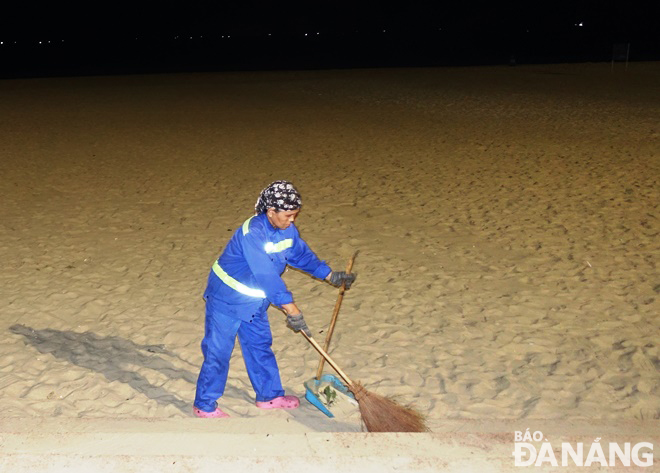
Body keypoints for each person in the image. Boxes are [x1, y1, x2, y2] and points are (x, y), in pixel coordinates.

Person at [193, 180, 356, 418]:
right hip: (226, 300)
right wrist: (291, 309)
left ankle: (269, 396)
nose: (292, 221)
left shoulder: (287, 230)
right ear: (271, 212)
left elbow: (300, 255)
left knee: (260, 346)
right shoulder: (252, 233)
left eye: (295, 215)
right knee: (218, 353)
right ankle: (204, 405)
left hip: (255, 302)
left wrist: (330, 275)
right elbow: (265, 275)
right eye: (288, 215)